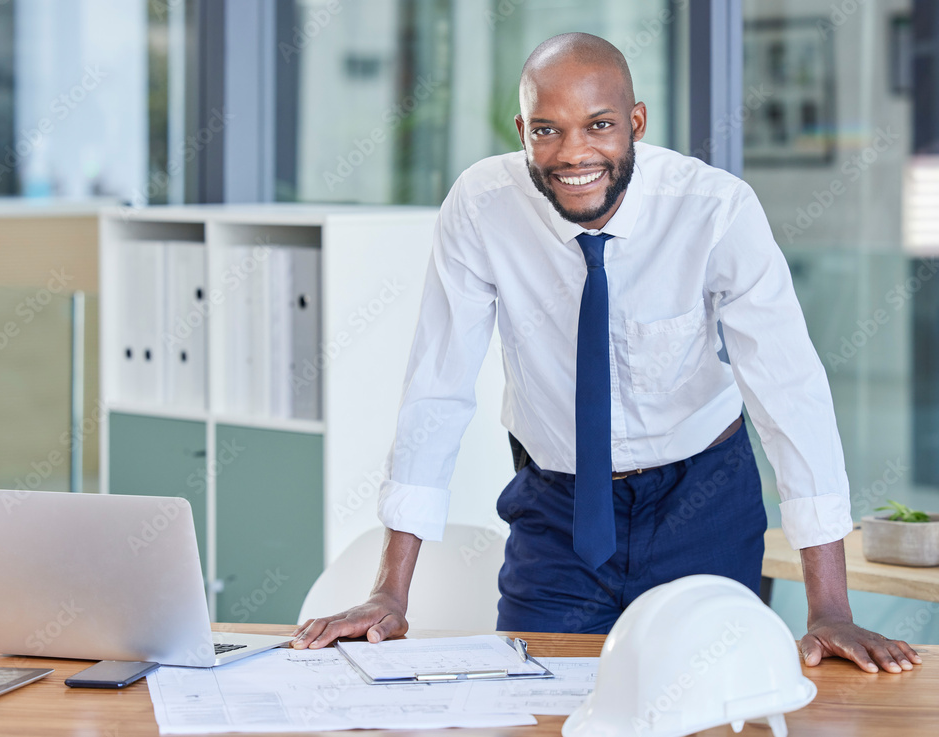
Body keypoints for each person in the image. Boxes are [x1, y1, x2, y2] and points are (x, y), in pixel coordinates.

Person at [293, 32, 921, 674]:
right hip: (557, 510)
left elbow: (790, 394)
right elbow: (437, 388)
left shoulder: (714, 210)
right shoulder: (482, 208)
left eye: (599, 125)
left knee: (705, 699)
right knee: (535, 698)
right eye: (547, 130)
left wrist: (829, 608)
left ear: (636, 123)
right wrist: (390, 592)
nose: (573, 153)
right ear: (521, 130)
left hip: (698, 500)